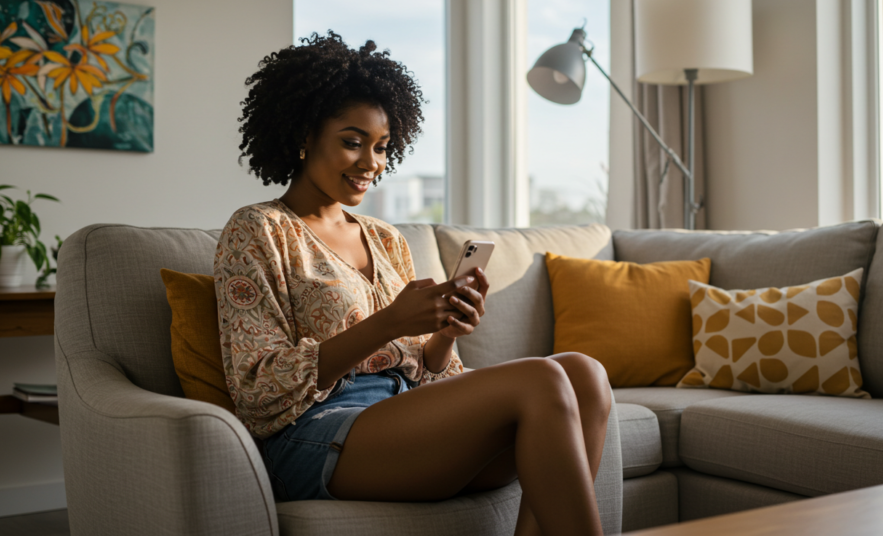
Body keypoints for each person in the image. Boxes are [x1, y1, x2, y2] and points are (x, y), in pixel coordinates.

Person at [215, 31, 612, 536]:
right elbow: (256, 387)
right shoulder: (258, 230)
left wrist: (445, 332)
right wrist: (389, 322)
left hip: (406, 417)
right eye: (352, 142)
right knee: (543, 379)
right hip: (319, 433)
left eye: (381, 147)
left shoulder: (386, 238)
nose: (371, 164)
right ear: (303, 134)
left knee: (584, 374)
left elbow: (429, 373)